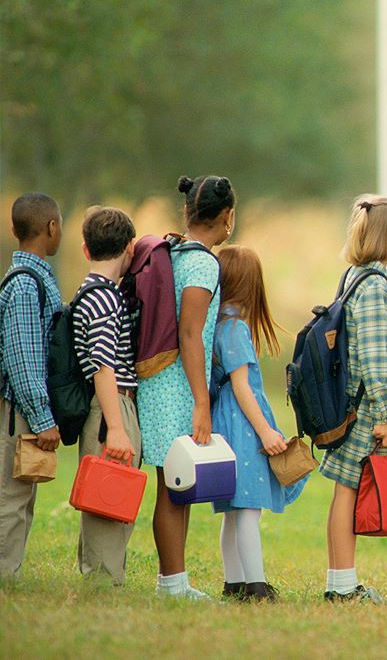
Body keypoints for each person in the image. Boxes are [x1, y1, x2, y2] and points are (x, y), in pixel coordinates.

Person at [138, 175, 234, 599]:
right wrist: (201, 402)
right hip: (178, 386)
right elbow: (191, 332)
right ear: (227, 218)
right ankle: (172, 583)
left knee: (174, 483)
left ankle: (173, 580)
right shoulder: (203, 264)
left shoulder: (174, 252)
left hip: (160, 381)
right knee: (174, 487)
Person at [320, 195, 387, 603]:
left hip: (352, 402)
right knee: (349, 491)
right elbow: (374, 356)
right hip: (366, 408)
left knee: (344, 490)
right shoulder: (373, 286)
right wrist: (386, 415)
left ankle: (339, 582)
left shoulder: (353, 276)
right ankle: (342, 585)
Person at [211, 245, 305, 603]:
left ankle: (234, 583)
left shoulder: (219, 323)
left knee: (234, 512)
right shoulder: (234, 327)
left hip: (228, 420)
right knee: (248, 509)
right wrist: (266, 430)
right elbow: (241, 387)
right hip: (241, 424)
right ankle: (256, 586)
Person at [72, 206, 142, 584]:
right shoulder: (102, 298)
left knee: (114, 493)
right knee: (107, 497)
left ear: (86, 249)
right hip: (111, 405)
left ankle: (105, 574)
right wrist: (115, 428)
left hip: (114, 404)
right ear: (130, 247)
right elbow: (103, 365)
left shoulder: (100, 293)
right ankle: (102, 580)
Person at [0, 193, 63, 579]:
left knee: (21, 496)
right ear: (52, 228)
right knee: (11, 496)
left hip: (25, 408)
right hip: (20, 410)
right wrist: (41, 418)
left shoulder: (32, 278)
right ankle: (5, 577)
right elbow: (23, 359)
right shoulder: (26, 285)